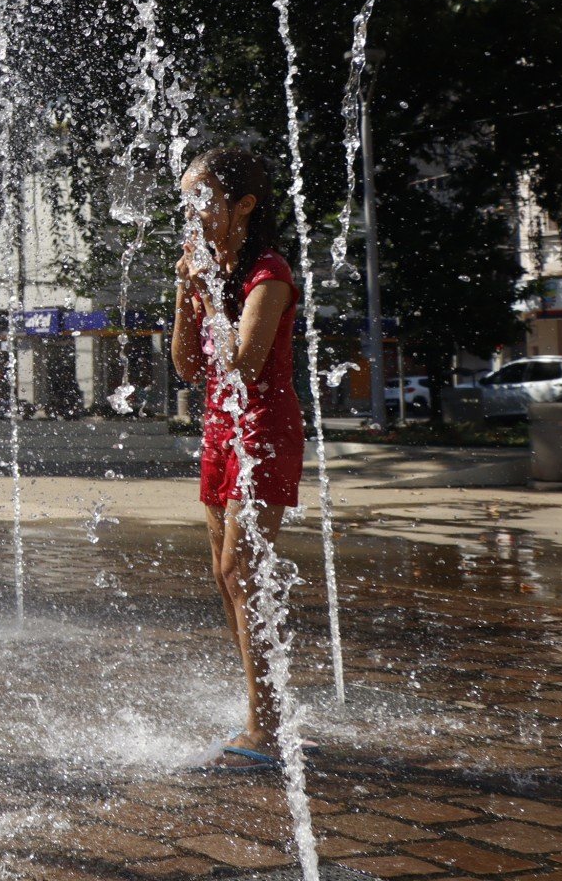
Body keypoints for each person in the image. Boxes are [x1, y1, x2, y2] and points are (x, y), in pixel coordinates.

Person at [170, 147, 306, 772]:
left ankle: (266, 726)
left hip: (263, 429)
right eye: (187, 198)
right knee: (225, 578)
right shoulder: (212, 271)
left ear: (244, 205)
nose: (191, 211)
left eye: (203, 198)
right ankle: (265, 710)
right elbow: (188, 366)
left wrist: (208, 294)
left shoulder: (268, 274)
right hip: (220, 428)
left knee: (241, 573)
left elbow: (244, 363)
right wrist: (184, 295)